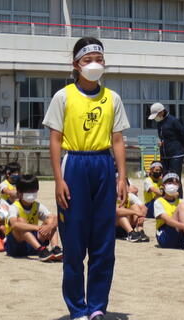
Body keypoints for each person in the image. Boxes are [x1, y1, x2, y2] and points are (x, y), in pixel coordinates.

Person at [43, 36, 129, 320]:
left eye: (99, 59)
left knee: (103, 242)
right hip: (75, 164)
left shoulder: (112, 98)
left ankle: (97, 307)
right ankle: (77, 308)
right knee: (74, 242)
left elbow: (118, 140)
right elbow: (55, 140)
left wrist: (122, 177)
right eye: (88, 60)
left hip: (103, 164)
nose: (94, 64)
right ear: (76, 64)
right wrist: (59, 179)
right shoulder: (63, 96)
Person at [5, 174, 62, 261]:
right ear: (19, 193)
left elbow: (55, 218)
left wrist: (49, 226)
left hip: (33, 243)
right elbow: (14, 224)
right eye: (28, 192)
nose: (31, 194)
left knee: (51, 220)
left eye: (33, 191)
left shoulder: (37, 206)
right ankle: (41, 250)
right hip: (16, 246)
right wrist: (38, 227)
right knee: (20, 222)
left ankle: (55, 248)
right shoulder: (14, 207)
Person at [151, 103, 184, 192]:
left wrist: (182, 147)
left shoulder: (173, 121)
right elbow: (163, 137)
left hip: (176, 154)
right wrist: (162, 143)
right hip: (164, 155)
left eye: (156, 115)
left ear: (162, 112)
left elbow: (183, 134)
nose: (156, 118)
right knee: (166, 177)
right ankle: (167, 197)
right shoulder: (159, 123)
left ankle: (178, 197)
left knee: (175, 177)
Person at [116, 175, 149, 243]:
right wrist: (135, 213)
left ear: (128, 187)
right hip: (116, 228)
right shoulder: (113, 196)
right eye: (118, 185)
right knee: (120, 213)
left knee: (135, 206)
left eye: (124, 185)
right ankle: (131, 233)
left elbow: (144, 207)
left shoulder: (130, 196)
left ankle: (140, 231)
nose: (121, 187)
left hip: (129, 225)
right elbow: (117, 211)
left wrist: (142, 216)